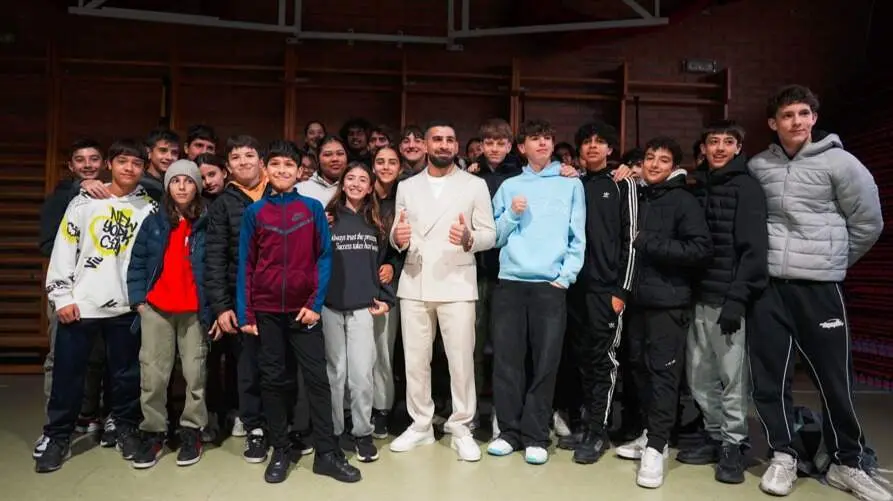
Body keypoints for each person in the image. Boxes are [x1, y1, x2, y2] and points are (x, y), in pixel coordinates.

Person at [747, 85, 887, 501]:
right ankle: (784, 454)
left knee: (834, 379)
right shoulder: (758, 166)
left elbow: (868, 223)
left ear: (813, 119)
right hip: (770, 289)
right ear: (774, 123)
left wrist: (831, 262)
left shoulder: (841, 163)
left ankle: (848, 461)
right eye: (787, 115)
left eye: (803, 114)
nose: (797, 122)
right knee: (770, 378)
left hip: (819, 288)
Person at [236, 139, 361, 484]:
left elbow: (324, 258)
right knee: (273, 381)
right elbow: (246, 264)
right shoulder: (254, 213)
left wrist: (314, 303)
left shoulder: (311, 209)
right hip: (265, 311)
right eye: (275, 164)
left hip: (303, 312)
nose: (281, 171)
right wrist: (245, 314)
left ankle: (326, 454)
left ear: (298, 171)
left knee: (318, 381)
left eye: (288, 166)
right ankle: (280, 449)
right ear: (265, 168)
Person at [37, 139, 159, 473]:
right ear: (110, 164)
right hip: (82, 305)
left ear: (144, 168)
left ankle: (125, 429)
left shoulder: (148, 207)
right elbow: (64, 249)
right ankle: (58, 436)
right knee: (68, 375)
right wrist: (62, 297)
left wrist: (144, 300)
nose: (129, 169)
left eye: (136, 164)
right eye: (122, 162)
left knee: (125, 376)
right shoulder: (83, 202)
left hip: (127, 308)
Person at [388, 120, 496, 462]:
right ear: (426, 144)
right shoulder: (407, 186)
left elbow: (489, 234)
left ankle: (461, 425)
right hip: (415, 279)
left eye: (450, 140)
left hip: (458, 281)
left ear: (457, 146)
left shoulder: (474, 185)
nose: (444, 145)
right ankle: (420, 424)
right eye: (437, 139)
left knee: (461, 360)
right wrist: (397, 239)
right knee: (416, 361)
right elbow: (397, 231)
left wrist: (470, 240)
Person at [614, 136, 712, 489]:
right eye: (650, 158)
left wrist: (648, 241)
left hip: (668, 303)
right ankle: (648, 434)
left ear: (675, 166)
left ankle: (658, 446)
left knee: (664, 375)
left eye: (663, 160)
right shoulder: (639, 195)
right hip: (636, 301)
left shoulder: (683, 199)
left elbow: (699, 249)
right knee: (638, 369)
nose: (655, 165)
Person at [486, 119, 585, 465]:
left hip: (550, 285)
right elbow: (493, 236)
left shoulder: (570, 183)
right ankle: (509, 433)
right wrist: (512, 216)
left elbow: (578, 235)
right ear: (521, 147)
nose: (542, 143)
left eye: (547, 137)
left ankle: (536, 435)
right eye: (534, 138)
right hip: (511, 282)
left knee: (545, 363)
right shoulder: (510, 186)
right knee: (508, 361)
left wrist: (566, 276)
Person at [675, 121, 767, 484]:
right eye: (714, 141)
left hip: (727, 300)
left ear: (739, 148)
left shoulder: (747, 188)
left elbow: (753, 250)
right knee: (698, 376)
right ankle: (715, 435)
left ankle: (734, 443)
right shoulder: (697, 185)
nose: (720, 148)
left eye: (729, 142)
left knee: (731, 378)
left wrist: (737, 299)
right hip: (696, 297)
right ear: (703, 147)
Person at [559, 121, 638, 465]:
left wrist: (622, 289)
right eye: (586, 142)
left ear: (609, 150)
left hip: (607, 291)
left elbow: (632, 241)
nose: (592, 147)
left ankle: (598, 431)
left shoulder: (622, 183)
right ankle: (583, 424)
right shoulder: (571, 182)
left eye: (600, 142)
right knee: (578, 360)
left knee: (602, 361)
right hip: (573, 288)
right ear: (579, 150)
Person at [127, 159, 212, 468]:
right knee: (153, 375)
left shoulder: (207, 220)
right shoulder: (154, 221)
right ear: (167, 187)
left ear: (197, 187)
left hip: (194, 311)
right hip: (157, 309)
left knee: (195, 374)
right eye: (175, 181)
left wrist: (213, 308)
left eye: (188, 181)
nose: (182, 186)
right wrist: (139, 301)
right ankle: (153, 432)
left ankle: (192, 430)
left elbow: (215, 266)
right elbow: (137, 262)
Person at [35, 139, 110, 458]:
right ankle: (56, 426)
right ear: (71, 166)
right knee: (60, 359)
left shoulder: (110, 197)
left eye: (94, 159)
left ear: (104, 162)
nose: (88, 164)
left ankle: (89, 414)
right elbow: (47, 245)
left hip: (101, 293)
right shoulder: (60, 199)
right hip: (67, 290)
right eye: (81, 160)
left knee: (97, 358)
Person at [323, 161, 396, 463]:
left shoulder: (376, 222)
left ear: (370, 187)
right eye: (349, 178)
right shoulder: (326, 218)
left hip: (363, 306)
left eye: (362, 179)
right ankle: (336, 432)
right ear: (342, 184)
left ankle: (363, 433)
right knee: (335, 373)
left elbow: (386, 264)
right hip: (329, 305)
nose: (355, 183)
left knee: (362, 374)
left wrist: (386, 297)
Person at [205, 135, 271, 461]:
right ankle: (254, 427)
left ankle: (280, 426)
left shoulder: (282, 194)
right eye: (236, 157)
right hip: (241, 300)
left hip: (280, 299)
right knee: (247, 368)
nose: (243, 161)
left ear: (262, 161)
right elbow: (214, 258)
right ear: (228, 167)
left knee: (279, 366)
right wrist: (221, 307)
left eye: (250, 154)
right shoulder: (223, 204)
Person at [370, 145, 405, 438]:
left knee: (383, 351)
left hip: (390, 288)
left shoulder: (405, 198)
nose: (385, 167)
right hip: (356, 284)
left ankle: (382, 409)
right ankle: (356, 408)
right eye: (380, 161)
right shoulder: (358, 195)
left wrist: (393, 266)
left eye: (392, 162)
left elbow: (407, 243)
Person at [298, 135, 346, 206]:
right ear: (317, 159)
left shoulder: (355, 188)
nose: (335, 159)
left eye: (340, 154)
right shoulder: (301, 190)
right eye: (328, 154)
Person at [142, 128, 181, 202]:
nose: (169, 157)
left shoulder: (179, 184)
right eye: (163, 150)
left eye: (174, 152)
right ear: (149, 152)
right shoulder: (139, 184)